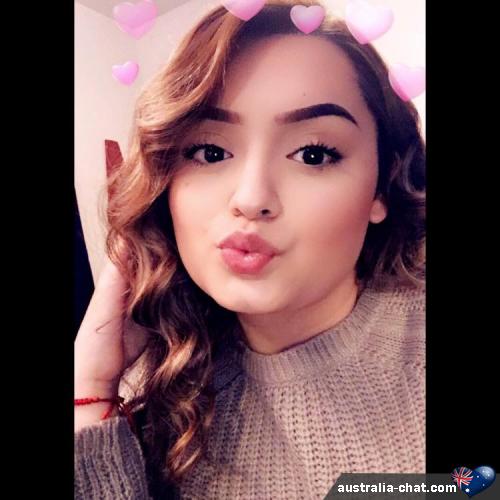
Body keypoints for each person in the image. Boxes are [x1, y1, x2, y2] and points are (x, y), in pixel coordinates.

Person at [74, 1, 426, 499]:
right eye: (210, 152)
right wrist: (90, 386)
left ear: (381, 187)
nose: (251, 197)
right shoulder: (170, 401)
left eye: (313, 154)